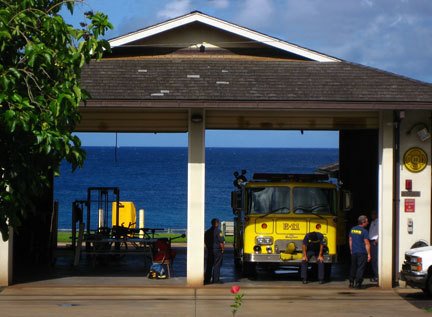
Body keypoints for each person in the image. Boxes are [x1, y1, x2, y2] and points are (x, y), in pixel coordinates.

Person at [349, 215, 371, 289]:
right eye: (367, 221)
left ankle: (351, 282)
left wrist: (351, 250)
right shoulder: (364, 231)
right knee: (360, 268)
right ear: (363, 222)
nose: (368, 223)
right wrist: (369, 254)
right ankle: (358, 283)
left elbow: (350, 240)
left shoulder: (352, 229)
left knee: (353, 267)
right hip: (362, 252)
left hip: (354, 252)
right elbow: (367, 243)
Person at [204, 218, 225, 284]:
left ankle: (207, 280)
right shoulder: (219, 231)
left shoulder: (207, 232)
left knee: (209, 265)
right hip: (217, 251)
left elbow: (205, 241)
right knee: (217, 265)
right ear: (217, 223)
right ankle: (215, 280)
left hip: (210, 250)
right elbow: (221, 242)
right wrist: (222, 250)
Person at [368, 210, 379, 282]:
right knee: (372, 259)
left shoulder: (379, 221)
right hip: (370, 241)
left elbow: (381, 231)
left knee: (375, 259)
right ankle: (375, 275)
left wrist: (378, 239)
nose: (371, 216)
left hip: (375, 242)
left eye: (373, 214)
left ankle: (377, 276)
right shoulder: (372, 222)